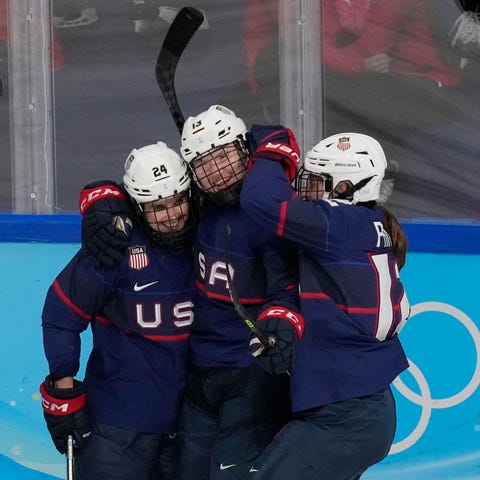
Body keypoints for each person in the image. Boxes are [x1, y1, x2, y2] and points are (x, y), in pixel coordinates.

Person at [77, 105, 302, 480]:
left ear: (246, 150)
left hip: (250, 372)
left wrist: (283, 323)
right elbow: (150, 187)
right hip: (198, 371)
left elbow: (287, 288)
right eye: (204, 164)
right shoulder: (194, 206)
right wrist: (102, 200)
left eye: (225, 156)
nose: (217, 173)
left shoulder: (267, 210)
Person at [240, 126, 411, 479]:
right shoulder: (367, 223)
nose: (306, 189)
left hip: (347, 414)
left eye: (317, 180)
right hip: (361, 406)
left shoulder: (337, 224)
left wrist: (273, 148)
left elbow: (260, 199)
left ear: (345, 187)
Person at [39, 141, 196, 480]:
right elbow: (60, 315)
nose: (172, 216)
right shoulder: (115, 244)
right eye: (157, 207)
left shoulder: (206, 236)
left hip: (190, 426)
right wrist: (63, 388)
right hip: (116, 430)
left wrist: (100, 194)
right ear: (137, 206)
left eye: (179, 200)